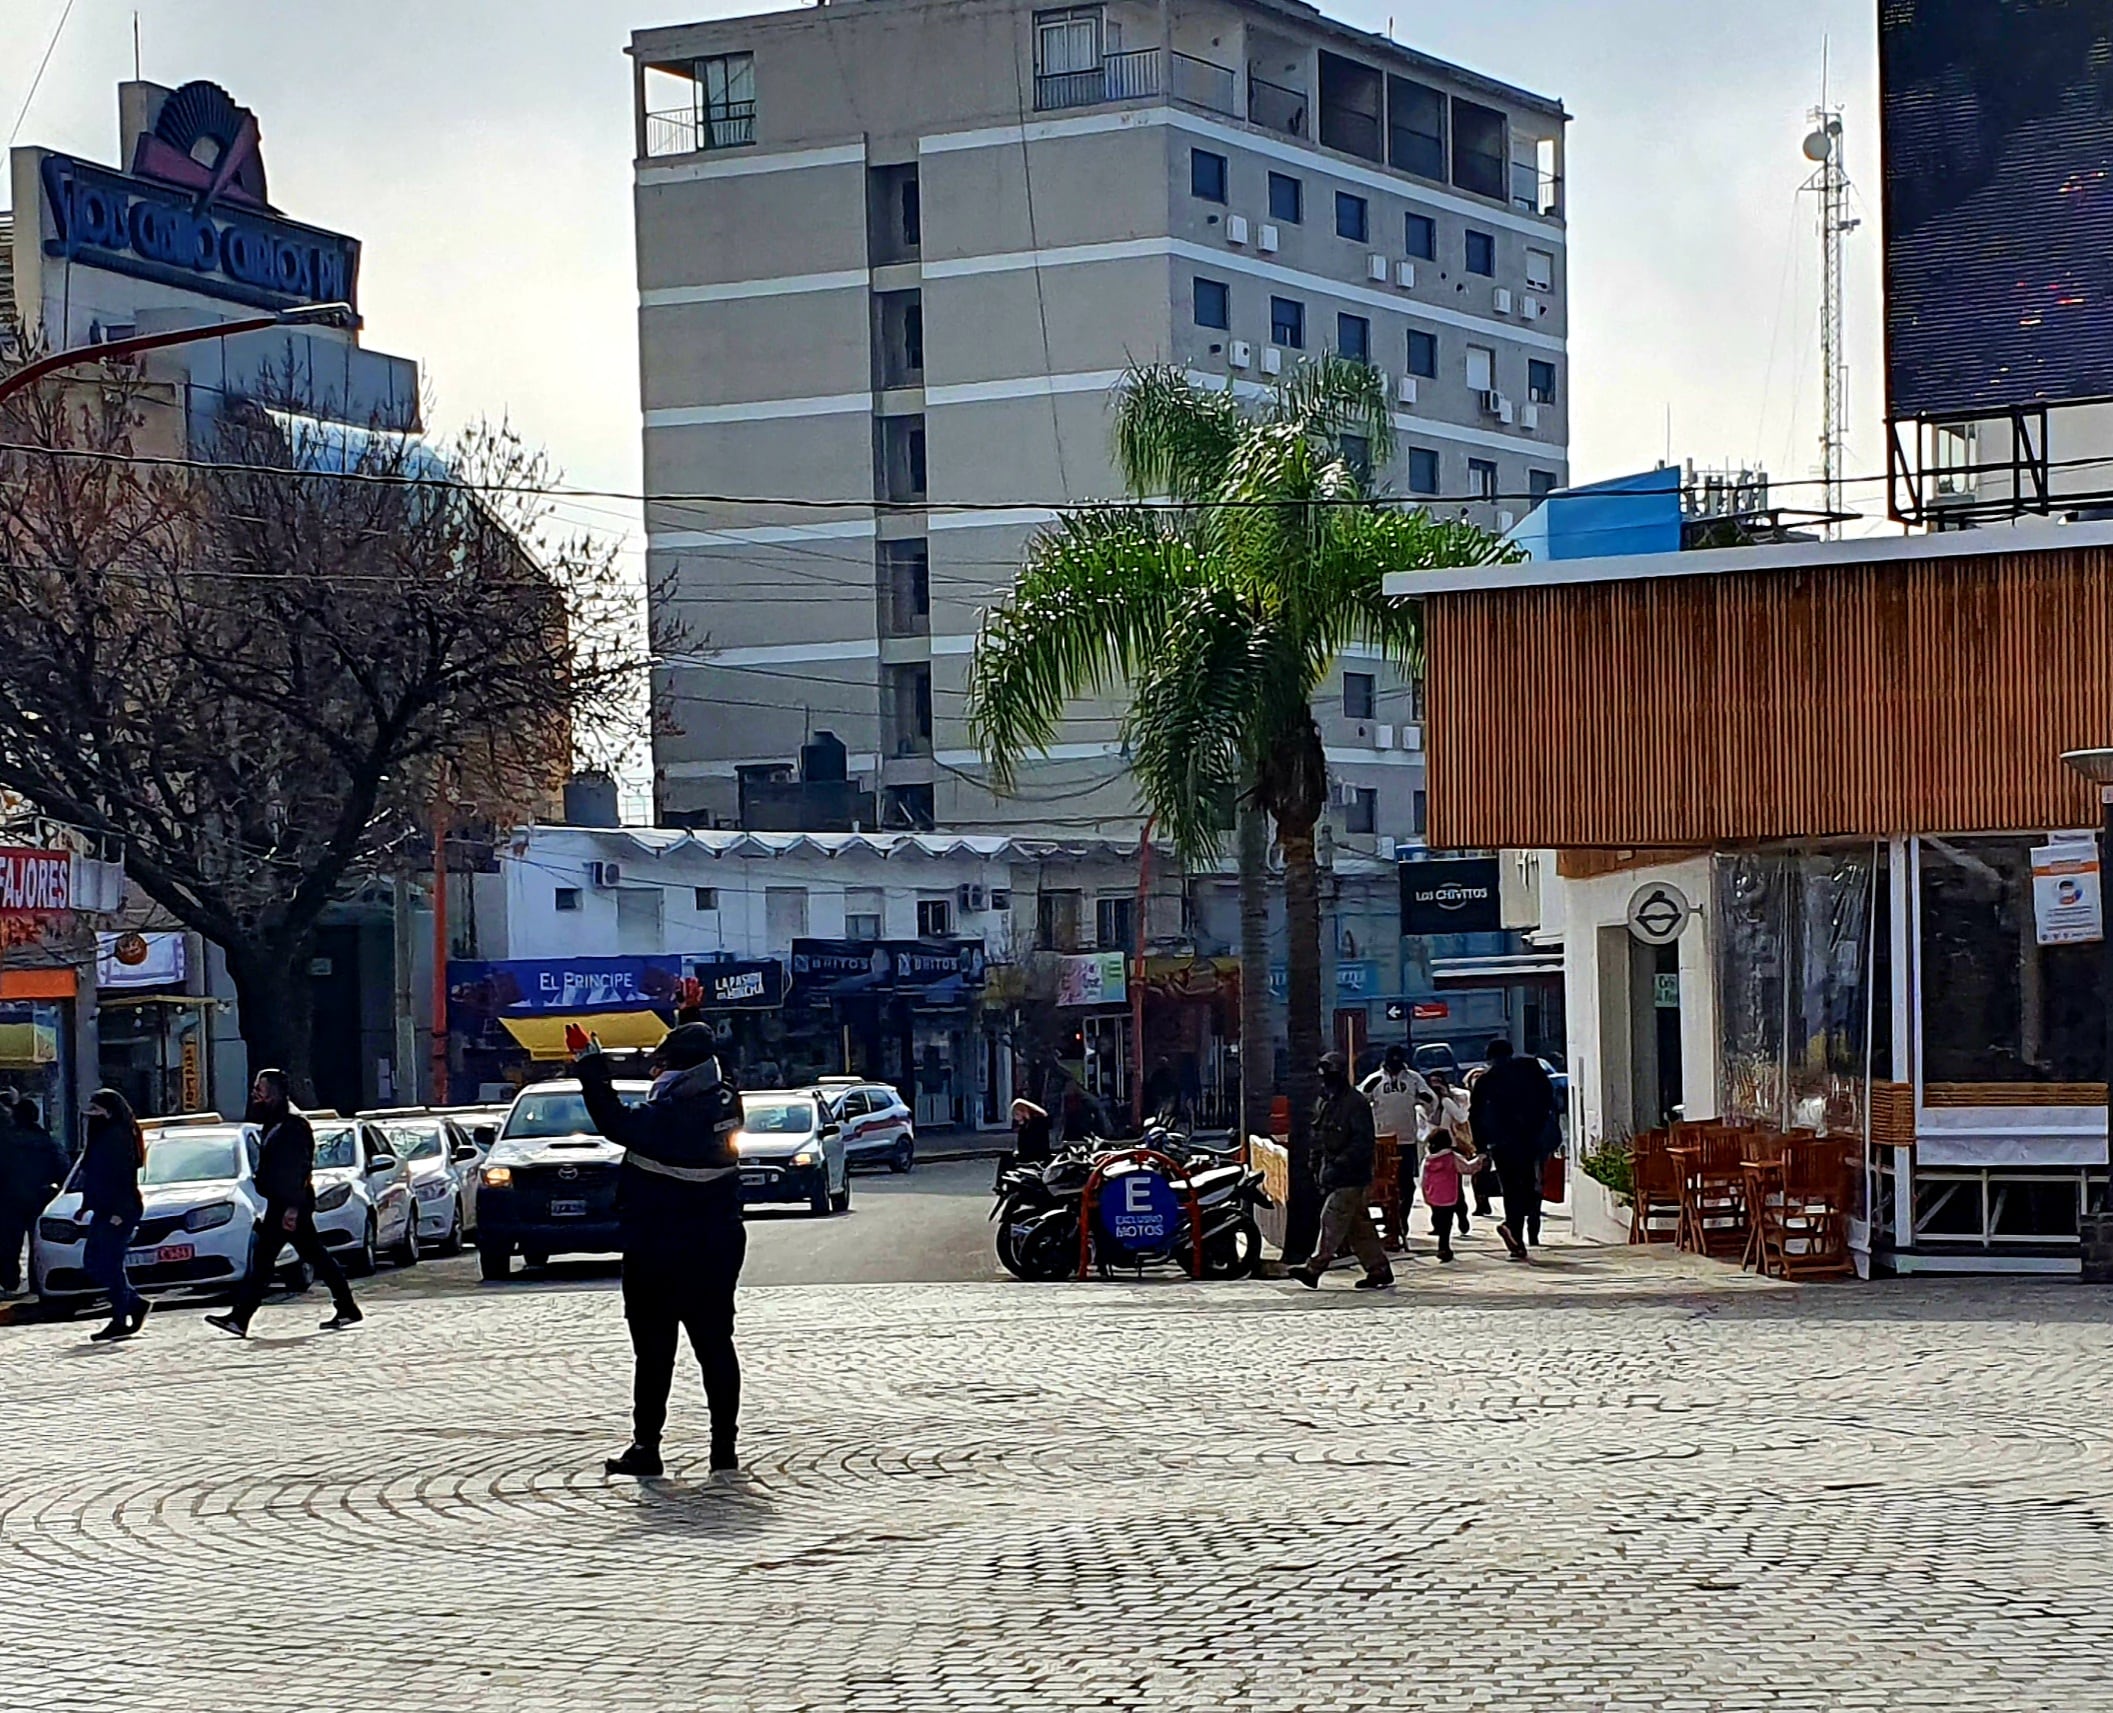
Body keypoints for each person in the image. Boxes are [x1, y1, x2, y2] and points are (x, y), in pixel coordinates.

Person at [574, 1021, 747, 1479]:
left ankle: (646, 1446)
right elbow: (709, 1055)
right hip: (717, 1246)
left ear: (677, 1072)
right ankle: (723, 1450)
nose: (655, 1074)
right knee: (715, 1346)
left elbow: (613, 1120)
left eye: (662, 1066)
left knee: (653, 1352)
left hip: (659, 1248)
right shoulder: (726, 1100)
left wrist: (590, 1064)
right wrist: (689, 1013)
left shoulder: (670, 1118)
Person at [206, 1070, 362, 1337]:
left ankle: (241, 1317)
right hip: (281, 1201)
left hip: (290, 1204)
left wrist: (292, 1208)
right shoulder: (274, 1120)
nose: (255, 1092)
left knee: (270, 1261)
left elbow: (298, 1169)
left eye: (261, 1088)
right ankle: (346, 1307)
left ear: (275, 1091)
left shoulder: (293, 1124)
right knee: (308, 1256)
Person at [1291, 1050, 1393, 1291]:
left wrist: (1340, 1163)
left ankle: (1314, 1268)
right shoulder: (1326, 1102)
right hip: (1333, 1173)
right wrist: (1316, 1165)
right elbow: (1318, 1137)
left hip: (1351, 1175)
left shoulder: (1355, 1103)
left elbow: (1362, 1142)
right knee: (1359, 1227)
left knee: (1332, 1219)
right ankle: (1378, 1269)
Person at [1468, 1039, 1558, 1262]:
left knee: (1510, 1188)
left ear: (1489, 1057)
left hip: (1503, 1142)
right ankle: (1521, 1232)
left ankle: (1514, 1234)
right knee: (1529, 1182)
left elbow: (1475, 1116)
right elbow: (1549, 1098)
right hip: (1531, 1138)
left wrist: (1481, 1147)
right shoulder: (1531, 1069)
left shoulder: (1487, 1079)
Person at [78, 1089, 147, 1340]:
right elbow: (93, 1174)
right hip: (104, 1208)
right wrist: (86, 1204)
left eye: (96, 1110)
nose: (91, 1115)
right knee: (94, 1262)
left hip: (120, 1209)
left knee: (110, 1263)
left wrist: (120, 1212)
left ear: (108, 1110)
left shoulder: (119, 1136)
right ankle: (134, 1302)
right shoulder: (102, 1135)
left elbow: (122, 1177)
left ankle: (120, 1317)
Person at [1, 1097, 70, 1296]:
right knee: (37, 1244)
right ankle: (36, 1282)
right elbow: (63, 1168)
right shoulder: (46, 1140)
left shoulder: (6, 1141)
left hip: (9, 1200)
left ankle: (9, 1281)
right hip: (41, 1198)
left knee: (9, 1244)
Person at [1360, 1045, 1433, 1217]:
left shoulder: (1414, 1079)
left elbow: (1431, 1101)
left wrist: (1425, 1099)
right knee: (1383, 1184)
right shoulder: (1375, 1079)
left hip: (1406, 1139)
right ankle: (1389, 1217)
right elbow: (1359, 1101)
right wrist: (1366, 1093)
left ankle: (1402, 1218)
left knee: (1406, 1183)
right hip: (1381, 1140)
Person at [1419, 1126, 1482, 1263]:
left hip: (1433, 1195)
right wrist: (1479, 1160)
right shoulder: (1452, 1157)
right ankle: (1444, 1246)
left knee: (1438, 1219)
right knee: (1447, 1223)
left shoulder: (1428, 1160)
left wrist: (1425, 1194)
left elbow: (1423, 1179)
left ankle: (1442, 1246)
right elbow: (1467, 1168)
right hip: (1449, 1195)